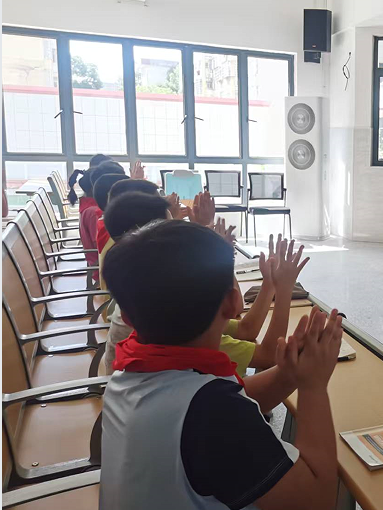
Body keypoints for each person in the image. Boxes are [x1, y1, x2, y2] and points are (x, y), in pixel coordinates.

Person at [99, 220, 341, 510]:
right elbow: (318, 501)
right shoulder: (215, 414)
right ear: (233, 302)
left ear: (127, 317)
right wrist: (313, 387)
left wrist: (292, 372)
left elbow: (238, 397)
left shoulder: (128, 372)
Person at [101, 192, 307, 375]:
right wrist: (283, 289)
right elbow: (268, 355)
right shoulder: (192, 338)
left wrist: (269, 284)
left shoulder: (149, 299)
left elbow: (246, 330)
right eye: (173, 224)